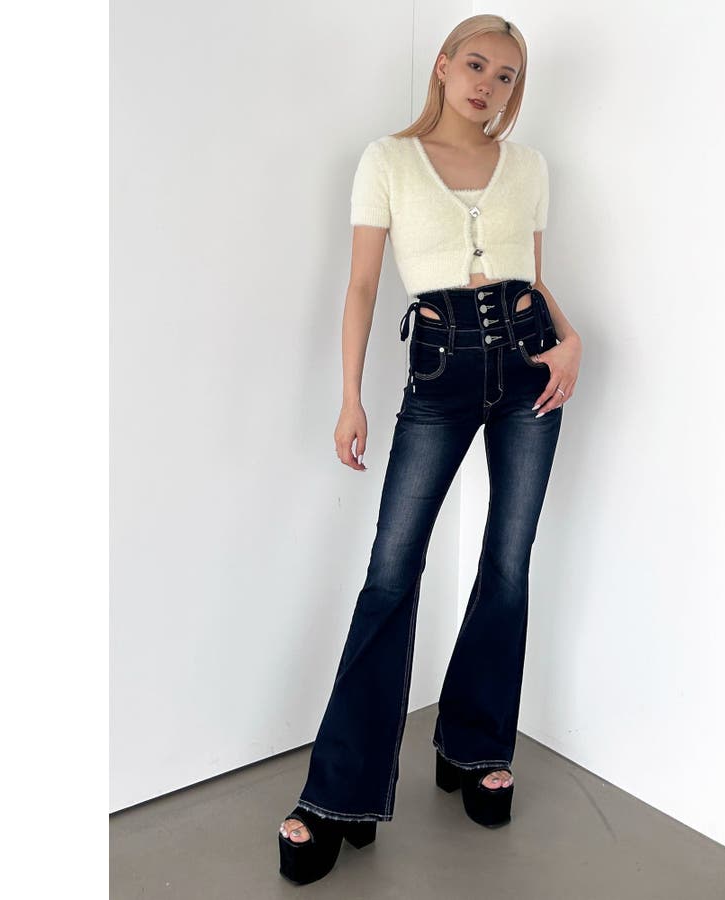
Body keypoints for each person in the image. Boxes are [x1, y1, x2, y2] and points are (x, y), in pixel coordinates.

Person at [278, 14, 582, 885]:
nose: (489, 85)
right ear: (444, 66)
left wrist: (570, 340)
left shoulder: (529, 167)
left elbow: (533, 273)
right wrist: (350, 397)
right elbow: (362, 285)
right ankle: (338, 796)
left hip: (530, 368)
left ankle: (475, 746)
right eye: (476, 65)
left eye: (507, 76)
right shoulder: (388, 160)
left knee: (508, 563)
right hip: (440, 371)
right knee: (390, 574)